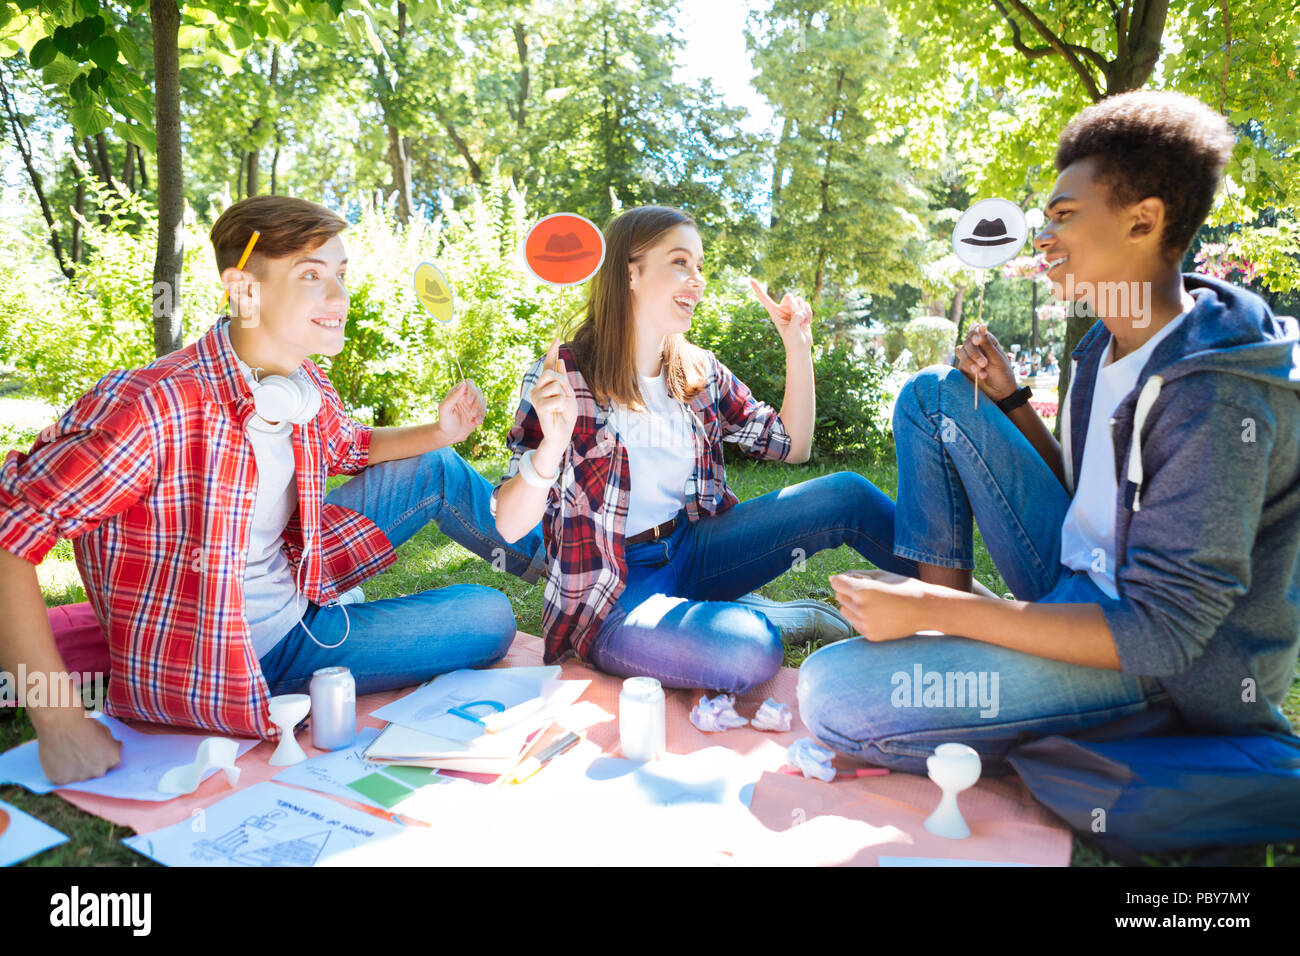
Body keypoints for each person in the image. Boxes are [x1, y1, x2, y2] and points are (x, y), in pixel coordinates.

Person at [798, 90, 1300, 773]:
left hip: (1156, 669)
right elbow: (1094, 490)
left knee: (833, 697)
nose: (1042, 238)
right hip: (1072, 575)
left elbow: (1165, 634)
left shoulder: (1216, 395)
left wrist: (942, 615)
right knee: (933, 396)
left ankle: (1074, 707)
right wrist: (1012, 404)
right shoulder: (1105, 341)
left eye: (1064, 216)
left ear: (1143, 220)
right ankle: (953, 616)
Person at [0, 195, 546, 784]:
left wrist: (439, 431)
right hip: (245, 651)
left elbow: (350, 447)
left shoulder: (300, 378)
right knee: (489, 617)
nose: (339, 298)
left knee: (435, 462)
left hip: (296, 569)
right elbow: (9, 535)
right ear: (243, 291)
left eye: (340, 274)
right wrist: (57, 722)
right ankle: (338, 631)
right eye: (312, 276)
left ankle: (566, 575)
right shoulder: (152, 407)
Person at [491, 205, 919, 693]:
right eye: (680, 262)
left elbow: (792, 445)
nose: (697, 279)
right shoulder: (562, 375)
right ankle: (764, 617)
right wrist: (553, 445)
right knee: (747, 648)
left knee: (848, 494)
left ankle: (968, 603)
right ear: (630, 272)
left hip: (694, 550)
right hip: (614, 594)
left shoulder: (698, 371)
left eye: (699, 266)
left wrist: (796, 345)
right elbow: (509, 524)